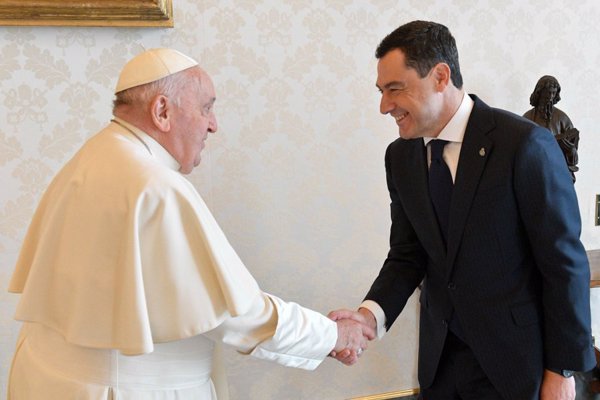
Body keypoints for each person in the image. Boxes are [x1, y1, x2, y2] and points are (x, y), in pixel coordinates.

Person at [7, 48, 373, 399]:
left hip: (49, 379)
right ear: (162, 110)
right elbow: (238, 315)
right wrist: (332, 336)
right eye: (206, 108)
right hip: (130, 390)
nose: (213, 125)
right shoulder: (155, 186)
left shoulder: (93, 156)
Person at [329, 21, 596, 400]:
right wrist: (369, 316)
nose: (384, 106)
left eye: (394, 89)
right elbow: (407, 255)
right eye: (381, 91)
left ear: (440, 76)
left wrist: (561, 370)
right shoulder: (401, 157)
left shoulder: (524, 145)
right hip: (440, 365)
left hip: (519, 366)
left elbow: (563, 264)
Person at [523, 75, 580, 182]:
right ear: (539, 93)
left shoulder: (562, 118)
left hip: (557, 169)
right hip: (535, 168)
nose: (550, 97)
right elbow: (520, 145)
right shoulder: (527, 117)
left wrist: (570, 149)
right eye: (548, 93)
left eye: (553, 93)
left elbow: (573, 146)